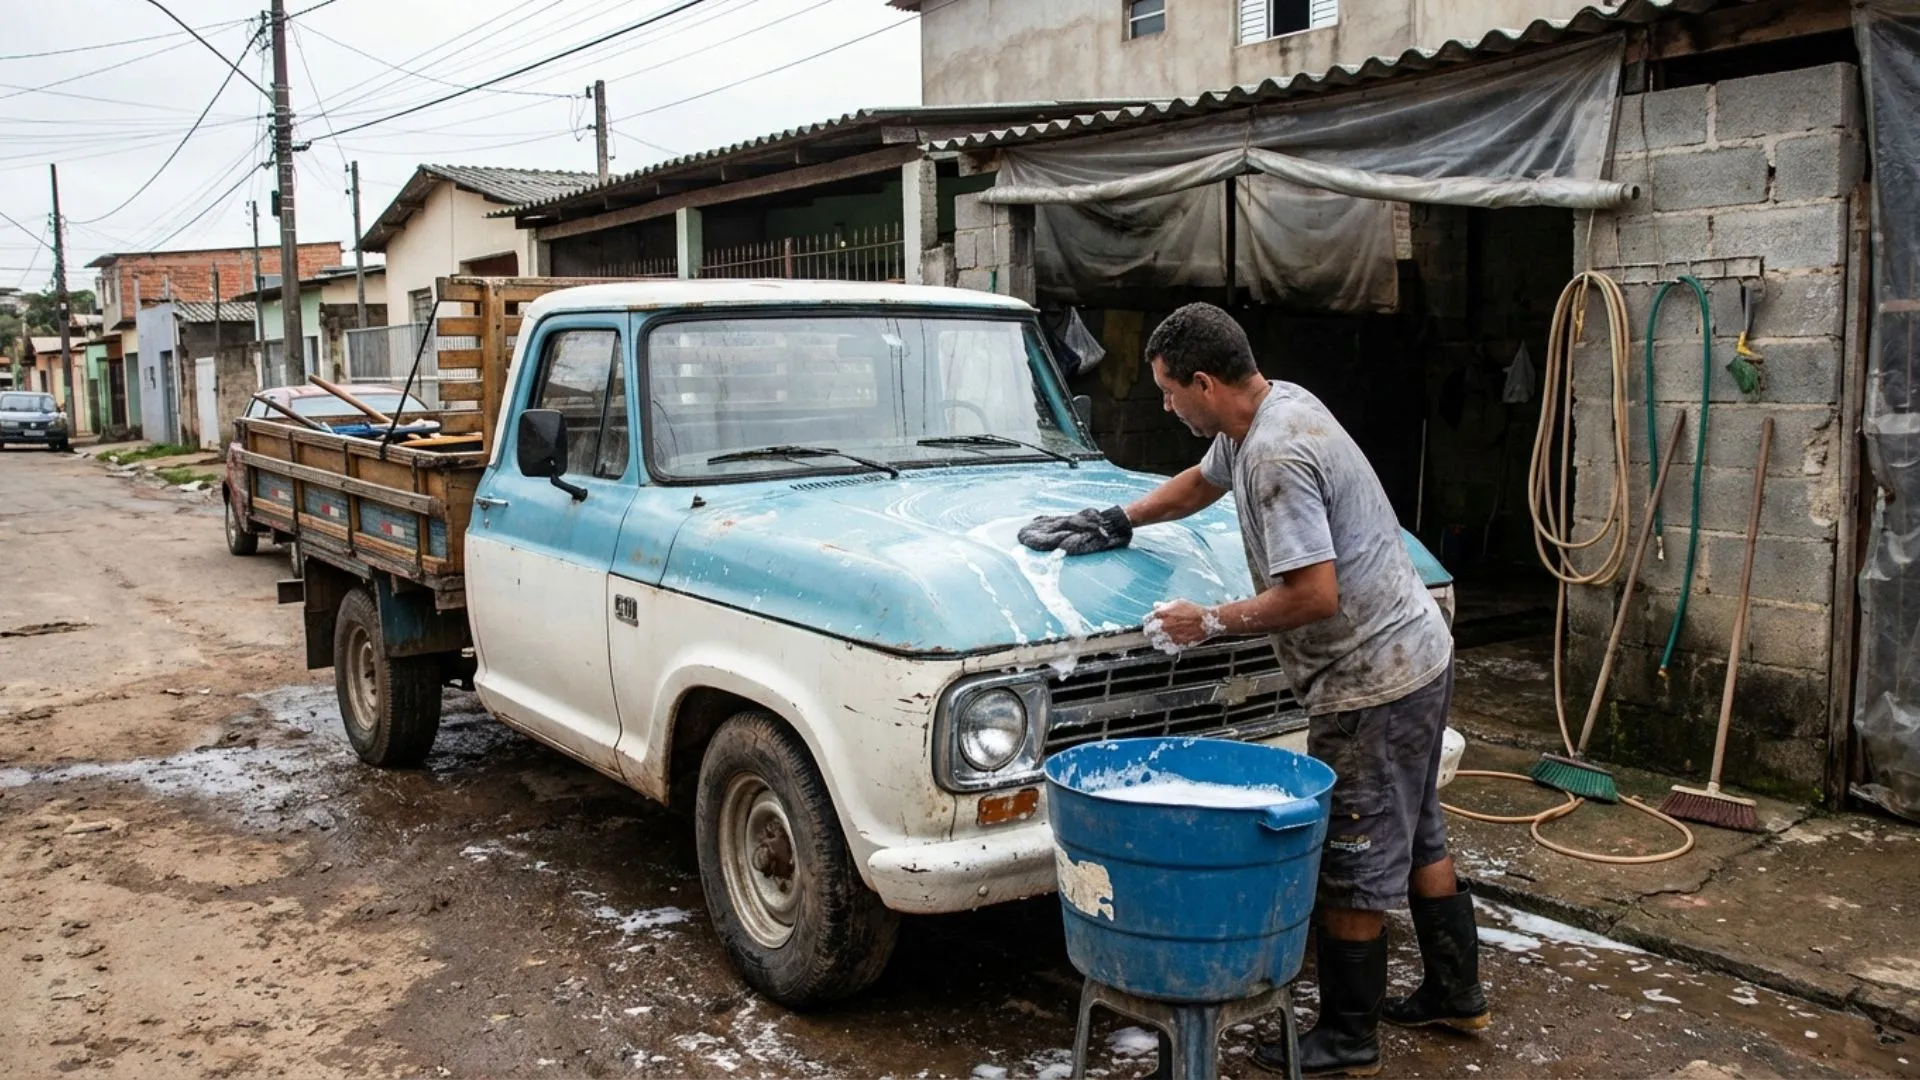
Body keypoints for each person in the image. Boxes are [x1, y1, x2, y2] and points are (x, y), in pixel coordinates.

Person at [1019, 303, 1486, 1077]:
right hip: (1417, 657)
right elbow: (1201, 483)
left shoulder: (1274, 456)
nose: (1166, 406)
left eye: (1170, 391)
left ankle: (1348, 1034)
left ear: (1205, 382)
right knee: (1420, 831)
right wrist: (1116, 517)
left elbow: (1313, 594)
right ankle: (1457, 992)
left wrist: (1208, 621)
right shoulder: (1274, 408)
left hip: (1371, 677)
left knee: (1354, 859)